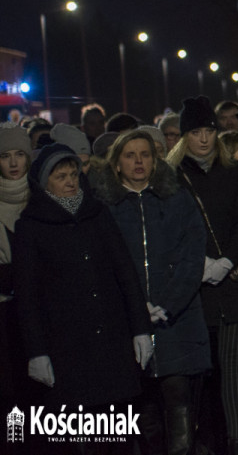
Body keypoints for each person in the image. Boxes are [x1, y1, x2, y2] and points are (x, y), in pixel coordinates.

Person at [94, 129, 211, 455]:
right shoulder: (104, 208)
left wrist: (166, 305)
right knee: (141, 415)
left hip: (177, 322)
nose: (138, 161)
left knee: (180, 406)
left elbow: (192, 258)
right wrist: (134, 308)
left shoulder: (177, 199)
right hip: (128, 327)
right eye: (130, 155)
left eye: (145, 154)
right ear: (116, 163)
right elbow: (102, 266)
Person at [15, 143, 154, 409]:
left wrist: (141, 329)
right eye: (61, 177)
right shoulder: (31, 226)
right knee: (80, 425)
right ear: (45, 183)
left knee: (119, 423)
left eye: (74, 175)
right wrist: (37, 351)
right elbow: (28, 296)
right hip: (66, 344)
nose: (70, 182)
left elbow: (125, 272)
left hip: (111, 335)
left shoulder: (97, 214)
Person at [168, 96, 238, 455]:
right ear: (183, 135)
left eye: (209, 131)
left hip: (233, 282)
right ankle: (198, 440)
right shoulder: (172, 177)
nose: (204, 139)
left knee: (234, 365)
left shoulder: (231, 171)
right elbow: (170, 230)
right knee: (198, 373)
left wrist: (226, 261)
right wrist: (198, 264)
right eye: (196, 131)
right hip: (193, 289)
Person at [0, 123, 33, 411]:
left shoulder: (42, 197)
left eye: (19, 154)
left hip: (40, 310)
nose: (13, 163)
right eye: (5, 155)